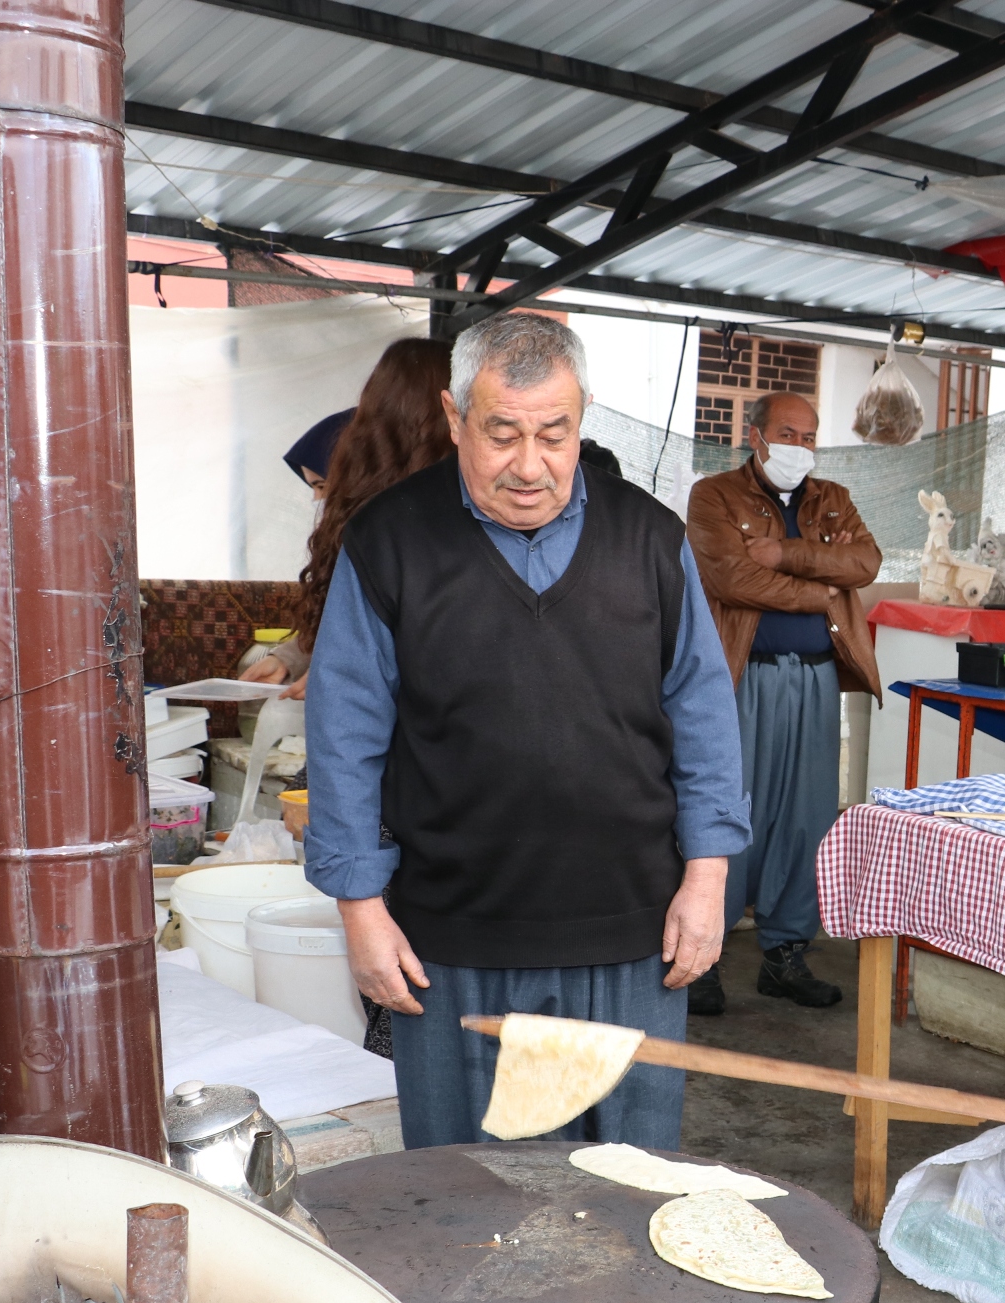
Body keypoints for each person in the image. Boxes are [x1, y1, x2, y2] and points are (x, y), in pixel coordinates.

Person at [303, 312, 749, 1149]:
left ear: (582, 418)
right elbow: (342, 732)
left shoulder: (649, 539)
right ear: (453, 416)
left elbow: (703, 712)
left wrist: (709, 876)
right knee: (465, 1205)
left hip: (631, 935)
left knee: (630, 1192)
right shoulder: (390, 541)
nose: (530, 465)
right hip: (452, 939)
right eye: (502, 433)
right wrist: (360, 909)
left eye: (555, 434)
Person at [684, 391, 882, 1014]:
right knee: (728, 812)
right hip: (742, 677)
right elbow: (729, 579)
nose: (800, 447)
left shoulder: (834, 500)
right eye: (788, 433)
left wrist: (789, 554)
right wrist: (821, 594)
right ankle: (701, 959)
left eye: (809, 436)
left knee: (807, 818)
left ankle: (785, 955)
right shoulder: (713, 496)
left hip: (817, 677)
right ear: (756, 436)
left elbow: (866, 561)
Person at [243, 341, 454, 699]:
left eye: (321, 485)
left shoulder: (376, 508)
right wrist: (294, 658)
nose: (318, 498)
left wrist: (342, 670)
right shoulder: (453, 501)